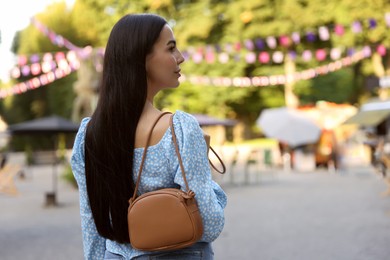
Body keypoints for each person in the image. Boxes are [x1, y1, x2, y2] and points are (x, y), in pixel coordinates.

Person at [70, 13, 227, 260]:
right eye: (171, 48)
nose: (180, 57)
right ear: (141, 58)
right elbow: (210, 224)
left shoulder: (89, 136)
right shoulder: (180, 130)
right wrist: (204, 171)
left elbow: (91, 222)